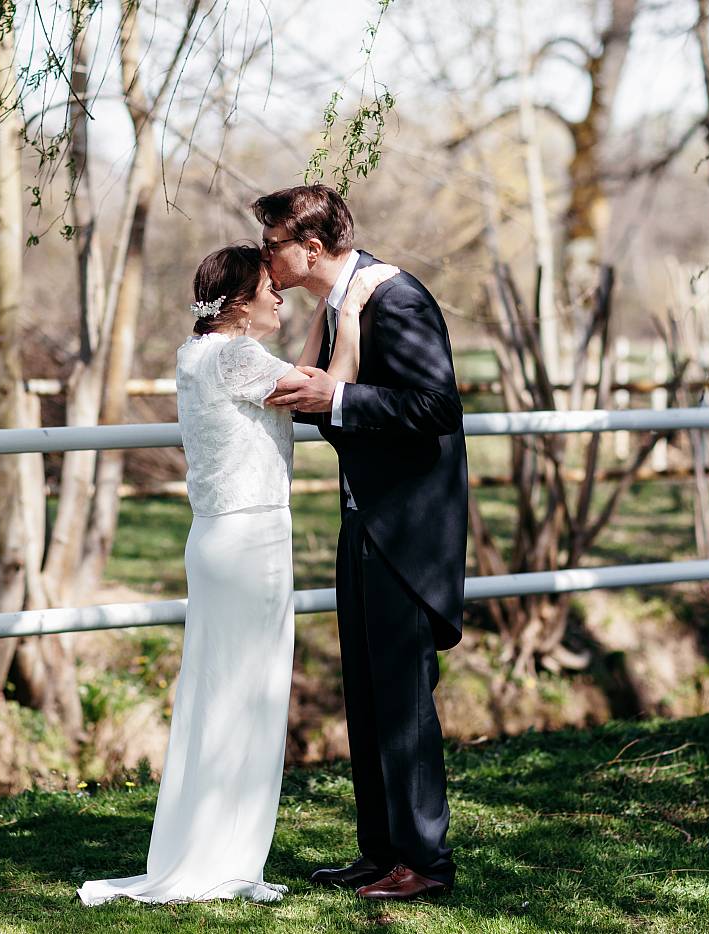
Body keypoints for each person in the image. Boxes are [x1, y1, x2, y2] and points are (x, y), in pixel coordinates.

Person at [77, 243, 396, 906]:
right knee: (245, 698)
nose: (280, 296)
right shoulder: (235, 356)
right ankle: (220, 861)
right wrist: (352, 316)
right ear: (239, 304)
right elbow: (322, 394)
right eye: (268, 290)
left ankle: (210, 850)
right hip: (251, 540)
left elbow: (294, 377)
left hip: (218, 539)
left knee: (217, 694)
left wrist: (322, 318)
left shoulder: (201, 354)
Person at [259, 185, 469, 902]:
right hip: (365, 519)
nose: (265, 255)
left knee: (403, 700)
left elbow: (435, 406)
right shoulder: (342, 303)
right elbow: (327, 401)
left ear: (310, 248)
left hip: (407, 531)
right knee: (368, 695)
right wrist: (330, 392)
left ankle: (425, 864)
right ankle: (381, 854)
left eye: (272, 243)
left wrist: (337, 399)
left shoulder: (395, 298)